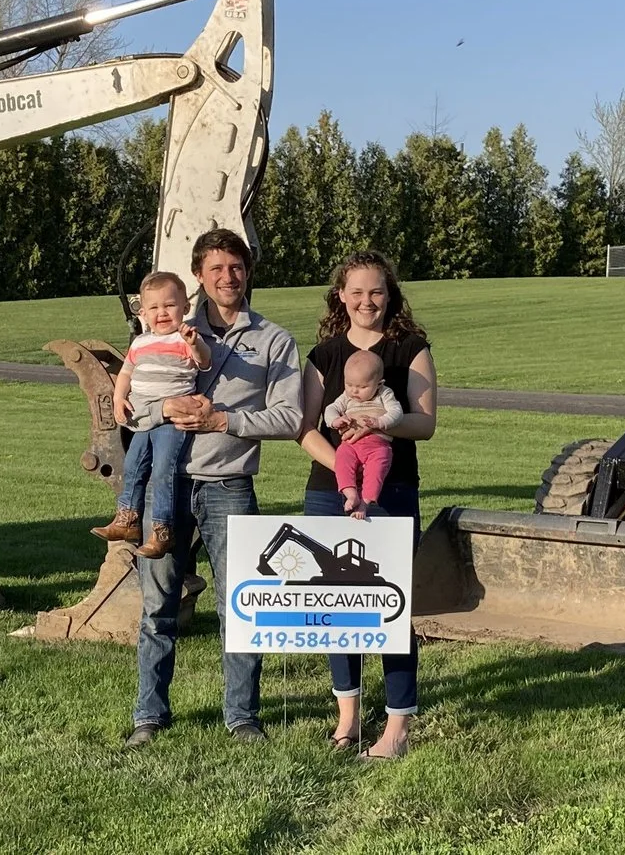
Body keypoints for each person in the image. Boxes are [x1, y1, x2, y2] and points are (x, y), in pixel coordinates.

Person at [125, 228, 302, 749]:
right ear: (199, 276)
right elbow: (133, 405)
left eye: (237, 267)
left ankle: (242, 717)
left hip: (229, 484)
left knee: (240, 605)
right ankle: (149, 716)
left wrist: (224, 419)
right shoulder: (164, 324)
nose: (228, 277)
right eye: (217, 268)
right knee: (157, 605)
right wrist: (164, 410)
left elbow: (290, 416)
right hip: (167, 485)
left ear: (248, 272)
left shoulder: (273, 340)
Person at [297, 251, 438, 761]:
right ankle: (349, 719)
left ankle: (397, 726)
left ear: (390, 295)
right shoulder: (324, 356)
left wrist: (382, 426)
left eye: (376, 291)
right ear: (341, 295)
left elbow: (424, 424)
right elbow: (304, 429)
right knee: (339, 610)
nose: (366, 301)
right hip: (328, 491)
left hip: (392, 490)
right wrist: (345, 467)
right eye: (356, 291)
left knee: (389, 606)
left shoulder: (410, 350)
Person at [91, 271, 210, 558]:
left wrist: (194, 343)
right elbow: (126, 373)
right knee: (133, 465)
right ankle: (127, 520)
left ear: (185, 308)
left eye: (169, 306)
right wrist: (119, 398)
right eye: (154, 308)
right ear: (143, 313)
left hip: (170, 421)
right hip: (143, 418)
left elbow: (204, 362)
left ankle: (162, 530)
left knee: (162, 471)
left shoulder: (185, 338)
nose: (162, 313)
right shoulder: (140, 343)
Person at [319, 349, 400, 519]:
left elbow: (396, 412)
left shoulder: (384, 393)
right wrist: (334, 420)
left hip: (378, 445)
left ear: (378, 384)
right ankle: (350, 493)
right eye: (349, 385)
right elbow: (331, 408)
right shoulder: (347, 397)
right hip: (351, 445)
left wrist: (379, 422)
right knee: (341, 458)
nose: (354, 391)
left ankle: (365, 502)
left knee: (377, 470)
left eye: (362, 387)